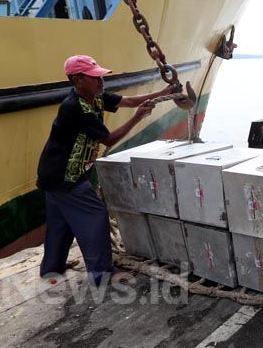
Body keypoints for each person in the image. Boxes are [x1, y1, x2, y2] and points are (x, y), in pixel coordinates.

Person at [37, 55, 176, 285]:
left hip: (52, 174)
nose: (101, 81)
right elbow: (108, 140)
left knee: (60, 222)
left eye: (100, 77)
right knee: (96, 215)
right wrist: (137, 118)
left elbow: (130, 100)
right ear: (77, 80)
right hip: (65, 177)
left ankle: (52, 267)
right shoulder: (75, 107)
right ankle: (102, 274)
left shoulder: (95, 97)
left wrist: (164, 93)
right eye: (95, 78)